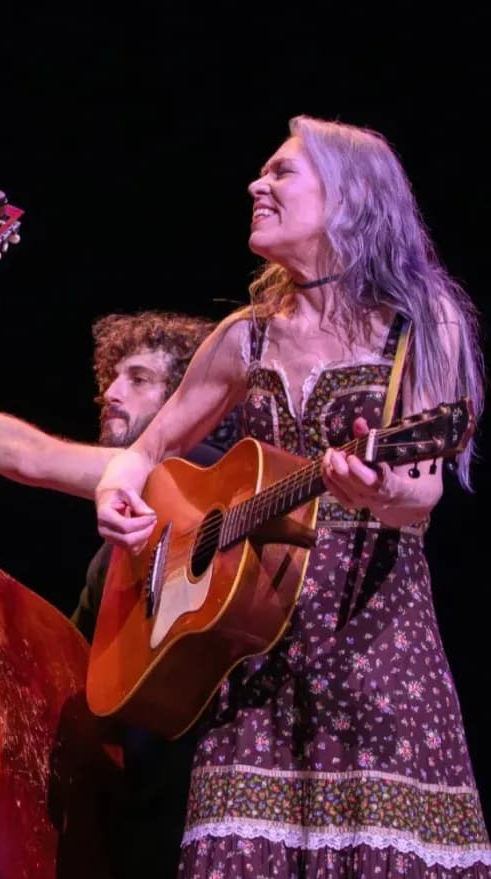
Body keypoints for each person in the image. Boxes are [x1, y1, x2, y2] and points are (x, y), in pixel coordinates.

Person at [95, 115, 490, 875]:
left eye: (281, 173)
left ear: (349, 198)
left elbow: (422, 491)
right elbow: (148, 449)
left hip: (376, 646)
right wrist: (117, 491)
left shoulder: (417, 322)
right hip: (251, 654)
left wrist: (379, 491)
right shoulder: (247, 336)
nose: (257, 184)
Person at [0, 309, 235, 878]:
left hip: (189, 794)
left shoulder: (194, 479)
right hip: (128, 802)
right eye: (111, 377)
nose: (110, 393)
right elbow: (75, 664)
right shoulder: (114, 543)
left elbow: (31, 457)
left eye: (138, 379)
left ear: (188, 399)